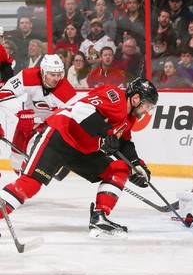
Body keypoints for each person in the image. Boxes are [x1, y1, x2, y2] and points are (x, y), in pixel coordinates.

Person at [0, 77, 159, 238]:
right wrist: (104, 133)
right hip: (59, 138)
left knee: (119, 169)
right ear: (136, 98)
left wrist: (136, 165)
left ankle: (99, 218)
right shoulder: (115, 96)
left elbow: (124, 142)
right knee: (30, 184)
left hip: (81, 151)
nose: (147, 111)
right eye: (147, 106)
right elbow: (81, 109)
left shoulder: (129, 118)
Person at [0, 54, 78, 174]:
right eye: (53, 75)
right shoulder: (28, 76)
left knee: (34, 149)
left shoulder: (66, 92)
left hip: (50, 125)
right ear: (42, 72)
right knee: (15, 158)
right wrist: (20, 113)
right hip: (28, 120)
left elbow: (76, 118)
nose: (57, 79)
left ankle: (27, 180)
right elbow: (4, 93)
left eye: (59, 75)